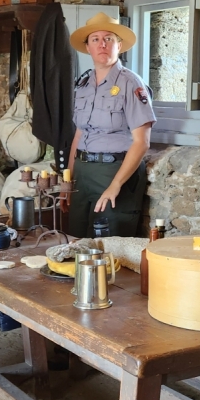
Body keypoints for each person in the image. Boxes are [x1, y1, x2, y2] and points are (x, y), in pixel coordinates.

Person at [67, 13, 156, 237]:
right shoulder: (83, 84)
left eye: (109, 38)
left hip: (114, 171)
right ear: (87, 47)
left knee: (109, 244)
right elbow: (79, 134)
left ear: (119, 45)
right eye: (95, 39)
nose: (102, 44)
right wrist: (68, 180)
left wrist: (116, 185)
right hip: (82, 174)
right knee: (76, 241)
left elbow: (142, 142)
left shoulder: (131, 83)